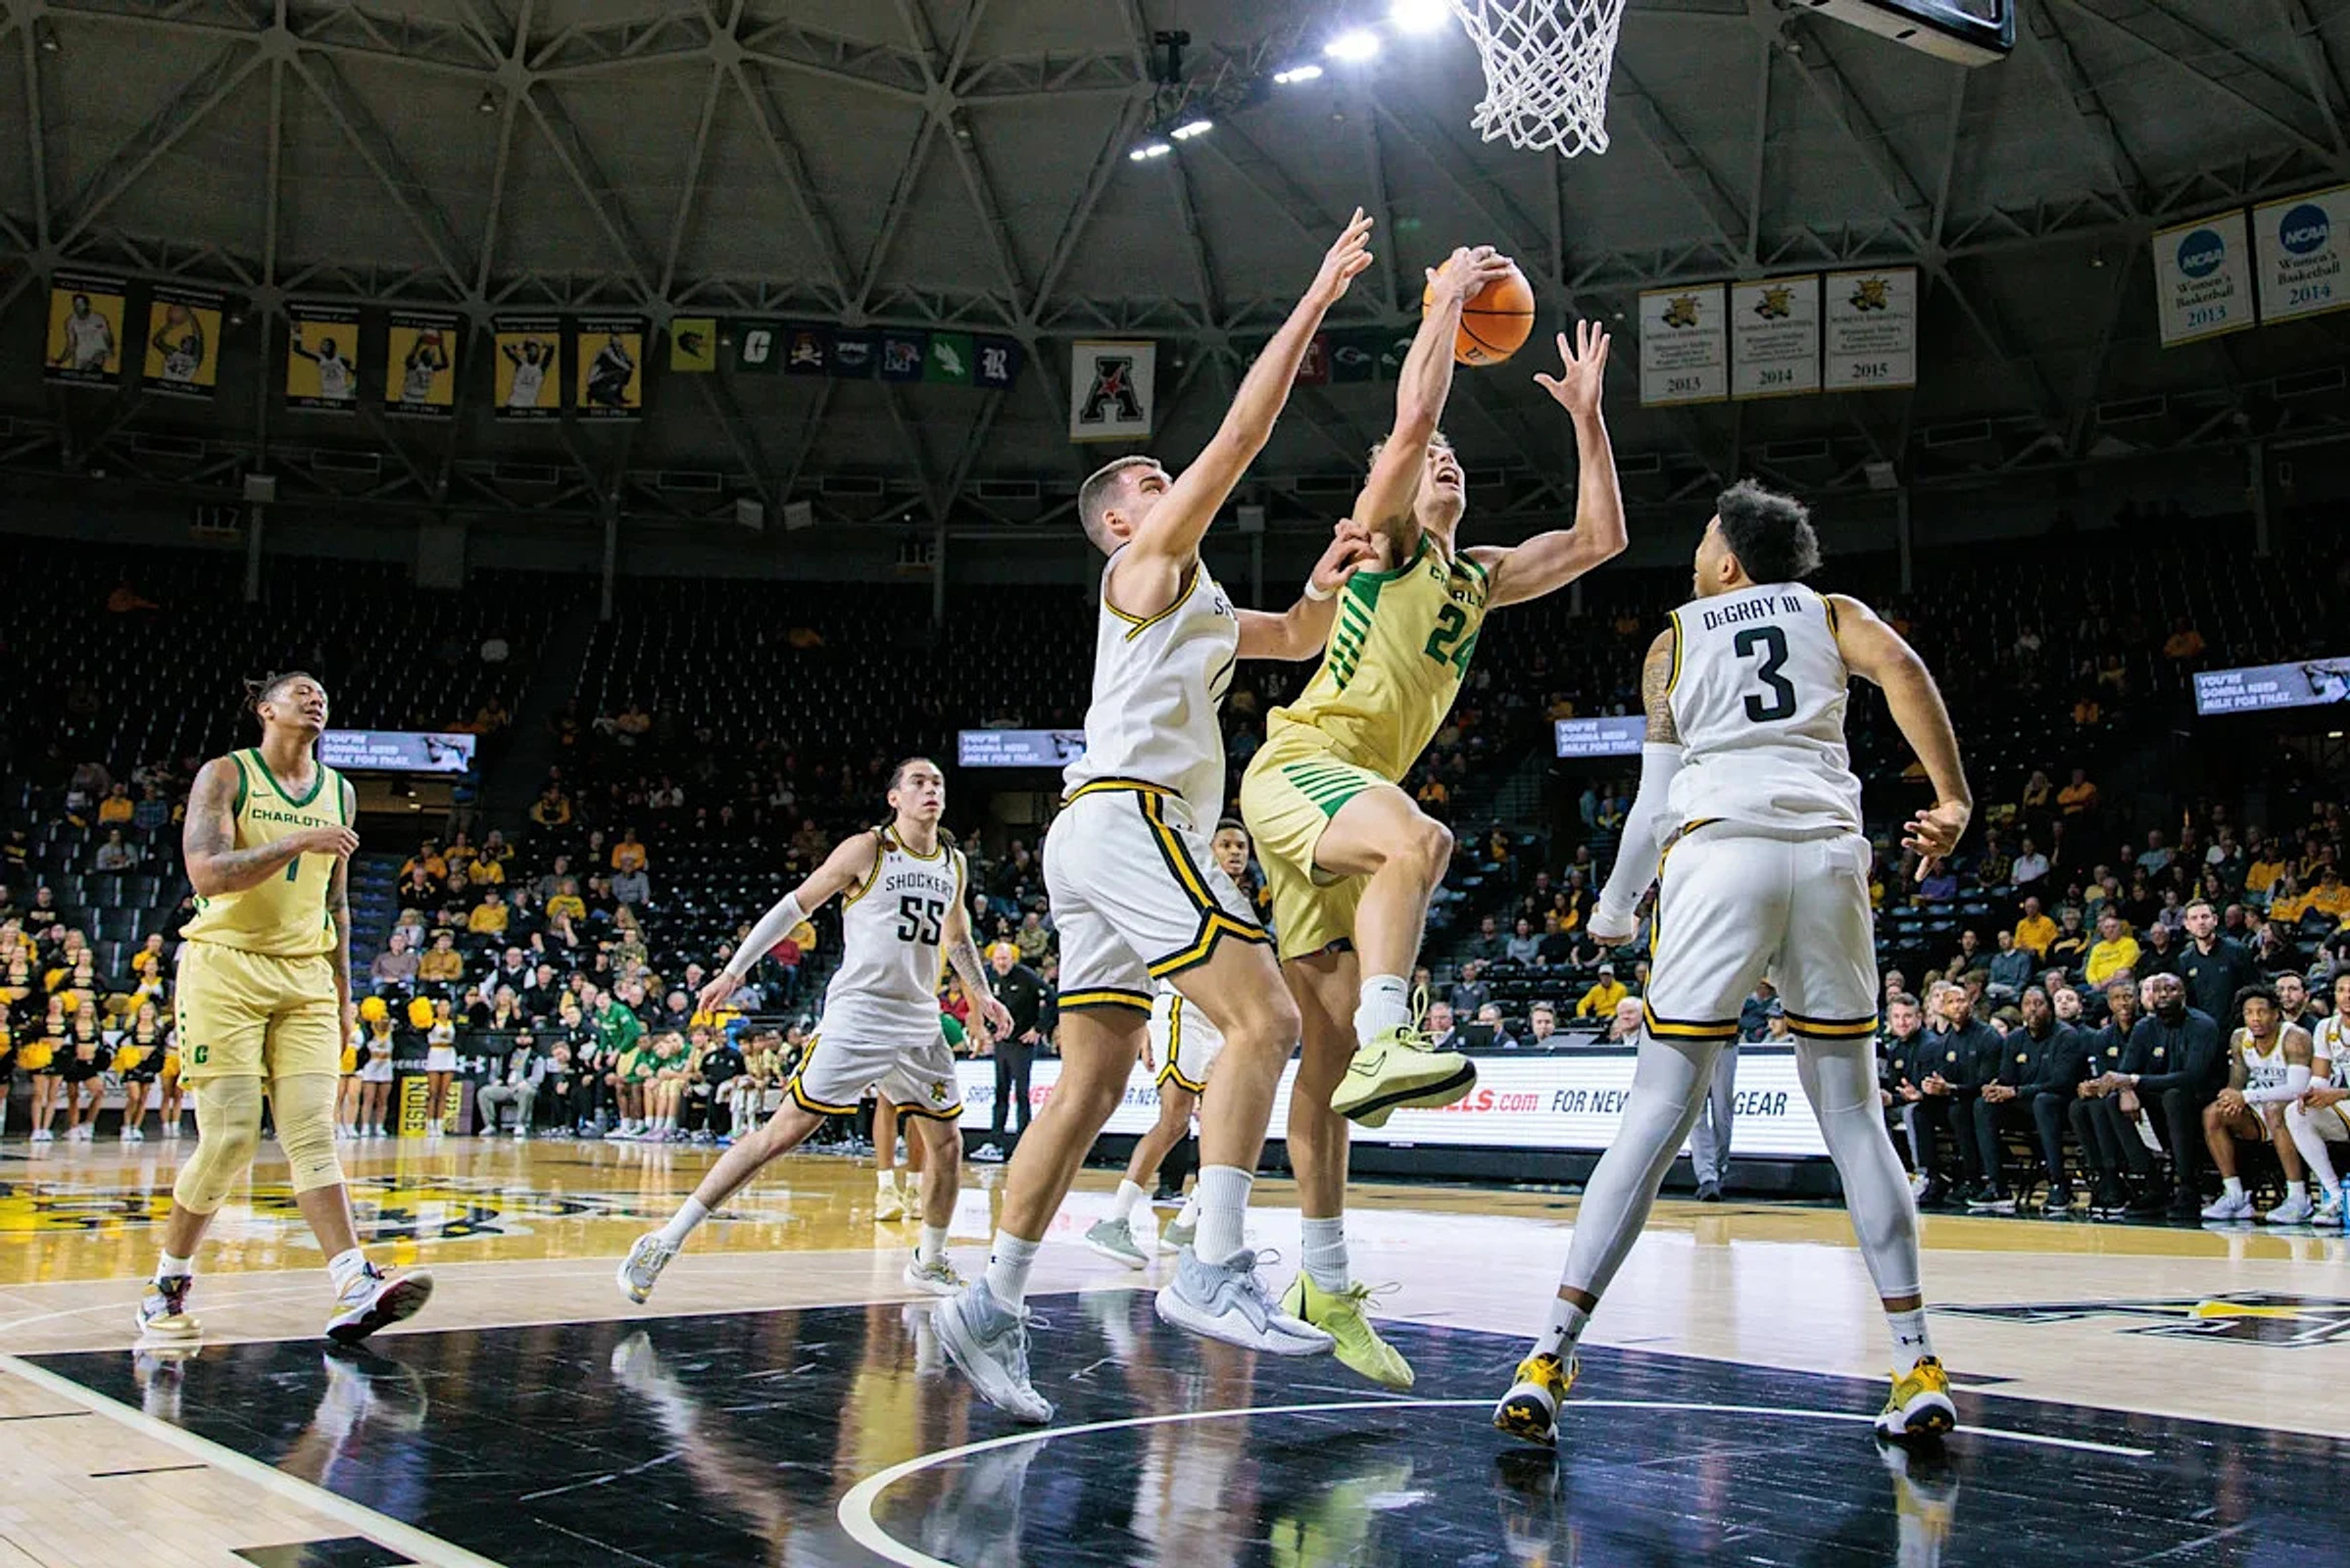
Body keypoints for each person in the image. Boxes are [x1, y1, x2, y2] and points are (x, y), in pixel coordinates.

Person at [934, 213, 1379, 1425]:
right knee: (1267, 1018)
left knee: (1088, 1083)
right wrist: (1312, 300)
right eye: (1144, 482)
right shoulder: (1140, 569)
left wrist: (1323, 587)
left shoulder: (1195, 595)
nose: (1164, 480)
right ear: (1122, 523)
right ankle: (1211, 1262)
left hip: (1096, 832)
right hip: (1134, 819)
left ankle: (989, 1303)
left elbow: (1294, 638)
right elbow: (1240, 437)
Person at [1495, 480, 1970, 1449]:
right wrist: (1952, 797)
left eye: (1704, 536)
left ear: (1727, 563)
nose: (1695, 551)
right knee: (1854, 1117)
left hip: (1718, 855)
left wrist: (1614, 908)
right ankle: (1916, 1360)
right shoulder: (1833, 613)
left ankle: (1548, 1356)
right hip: (1827, 858)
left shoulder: (1673, 640)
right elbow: (1906, 669)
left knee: (1654, 1117)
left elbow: (1651, 804)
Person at [1237, 298, 1626, 1388]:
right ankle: (1391, 1030)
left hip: (1344, 800)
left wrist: (1586, 419)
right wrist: (1442, 304)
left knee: (1326, 1069)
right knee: (1421, 839)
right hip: (1302, 765)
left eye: (1459, 456)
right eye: (1429, 456)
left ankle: (1323, 1282)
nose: (1446, 458)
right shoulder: (1391, 544)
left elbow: (1599, 540)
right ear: (1396, 484)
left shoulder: (1476, 574)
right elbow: (1411, 421)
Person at [619, 759, 1010, 1305]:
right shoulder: (867, 849)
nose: (931, 790)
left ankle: (929, 1260)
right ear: (894, 798)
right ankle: (665, 1239)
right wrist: (734, 971)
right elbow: (793, 907)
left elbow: (958, 936)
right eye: (918, 782)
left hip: (919, 1022)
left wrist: (981, 993)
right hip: (860, 1015)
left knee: (947, 1144)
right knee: (780, 1135)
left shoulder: (953, 862)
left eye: (937, 783)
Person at [138, 671, 431, 1346]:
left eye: (321, 692)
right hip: (225, 967)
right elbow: (207, 873)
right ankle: (167, 1283)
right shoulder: (226, 775)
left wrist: (344, 994)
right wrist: (300, 841)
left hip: (306, 976)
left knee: (313, 1132)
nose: (315, 697)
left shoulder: (339, 791)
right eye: (300, 691)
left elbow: (337, 902)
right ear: (265, 709)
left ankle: (353, 1281)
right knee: (232, 1136)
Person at [1087, 821, 1256, 1266]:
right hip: (1184, 1010)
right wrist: (1146, 1019)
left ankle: (1187, 1224)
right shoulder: (1187, 891)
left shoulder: (1245, 902)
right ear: (1208, 850)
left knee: (1225, 1126)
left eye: (1241, 846)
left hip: (1224, 1021)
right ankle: (1114, 1220)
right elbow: (1149, 951)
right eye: (1226, 844)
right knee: (1175, 1120)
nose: (1235, 852)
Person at [2198, 984, 2317, 1223]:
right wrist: (2230, 1098)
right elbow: (2237, 1085)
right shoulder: (2240, 1038)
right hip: (2259, 1109)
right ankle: (2235, 1195)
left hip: (2299, 1110)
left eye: (2261, 1012)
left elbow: (2297, 1090)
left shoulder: (2295, 1038)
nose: (2255, 1018)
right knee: (2213, 1113)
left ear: (2276, 1013)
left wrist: (2246, 1097)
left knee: (2275, 1109)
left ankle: (2298, 1197)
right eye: (2249, 1013)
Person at [1970, 985, 2088, 1215]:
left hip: (2059, 1107)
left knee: (2043, 1101)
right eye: (2027, 1004)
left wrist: (2016, 1091)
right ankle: (1997, 1186)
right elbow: (2007, 1077)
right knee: (1983, 1105)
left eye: (2038, 1004)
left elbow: (2062, 1082)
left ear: (2050, 1009)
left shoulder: (2067, 1036)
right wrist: (1995, 1087)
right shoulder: (2015, 1038)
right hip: (2024, 1106)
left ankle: (2059, 1184)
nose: (2032, 1009)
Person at [971, 942, 1049, 1162]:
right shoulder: (990, 977)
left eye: (1005, 959)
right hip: (1003, 1043)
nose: (1001, 963)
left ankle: (1024, 1145)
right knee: (1001, 1093)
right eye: (997, 959)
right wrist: (989, 1029)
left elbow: (1052, 999)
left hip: (1022, 1043)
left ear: (1013, 958)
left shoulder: (1026, 976)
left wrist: (1038, 1029)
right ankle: (995, 1143)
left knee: (1022, 1094)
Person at [2286, 971, 2350, 1226]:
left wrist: (2340, 1093)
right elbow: (2320, 1077)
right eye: (2342, 990)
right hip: (2345, 1103)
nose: (2347, 996)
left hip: (2344, 1097)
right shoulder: (2326, 1027)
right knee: (2296, 1111)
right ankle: (2335, 1196)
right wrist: (2311, 1092)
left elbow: (2336, 1091)